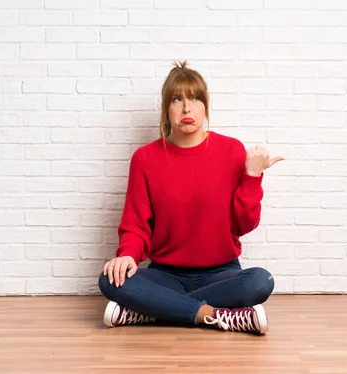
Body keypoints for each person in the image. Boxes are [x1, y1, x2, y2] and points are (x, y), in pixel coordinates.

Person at [98, 60, 283, 335]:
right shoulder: (145, 159)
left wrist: (252, 177)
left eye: (195, 98)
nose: (187, 108)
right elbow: (136, 225)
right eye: (177, 99)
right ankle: (216, 316)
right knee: (109, 279)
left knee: (260, 281)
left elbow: (243, 226)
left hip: (222, 274)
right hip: (165, 274)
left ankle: (152, 311)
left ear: (205, 107)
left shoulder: (231, 151)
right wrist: (126, 255)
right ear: (166, 109)